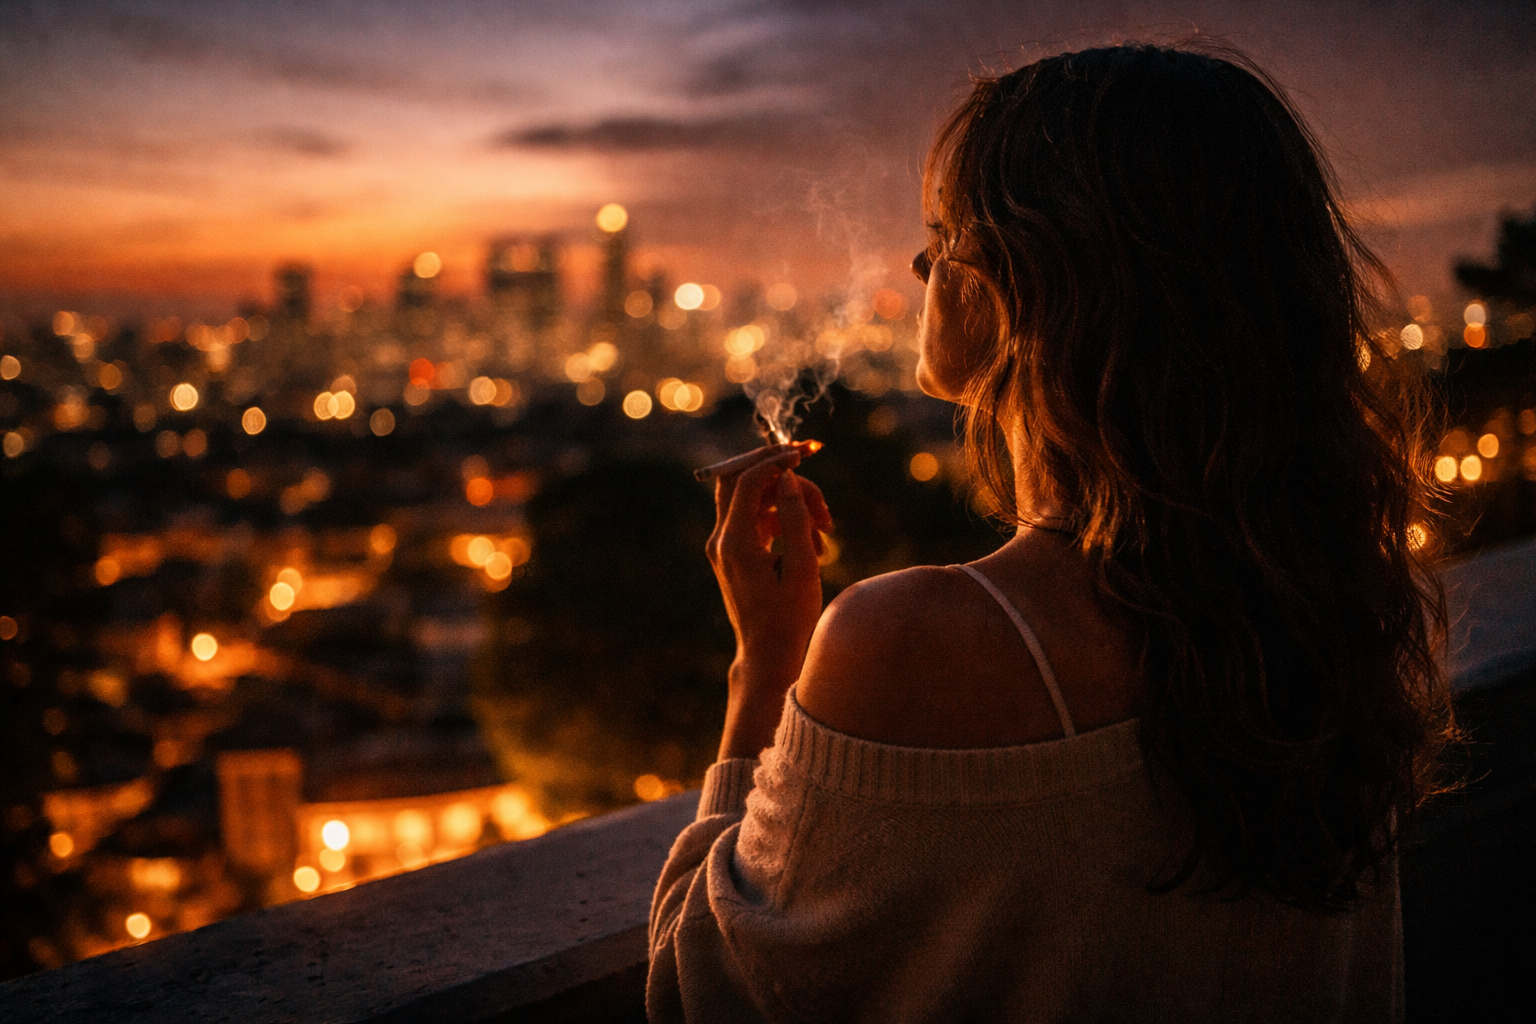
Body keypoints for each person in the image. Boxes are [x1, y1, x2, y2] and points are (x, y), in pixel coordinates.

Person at [647, 43, 1453, 1023]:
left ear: (1013, 285)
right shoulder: (1332, 601)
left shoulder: (908, 641)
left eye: (940, 237)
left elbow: (706, 988)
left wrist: (766, 661)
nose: (917, 266)